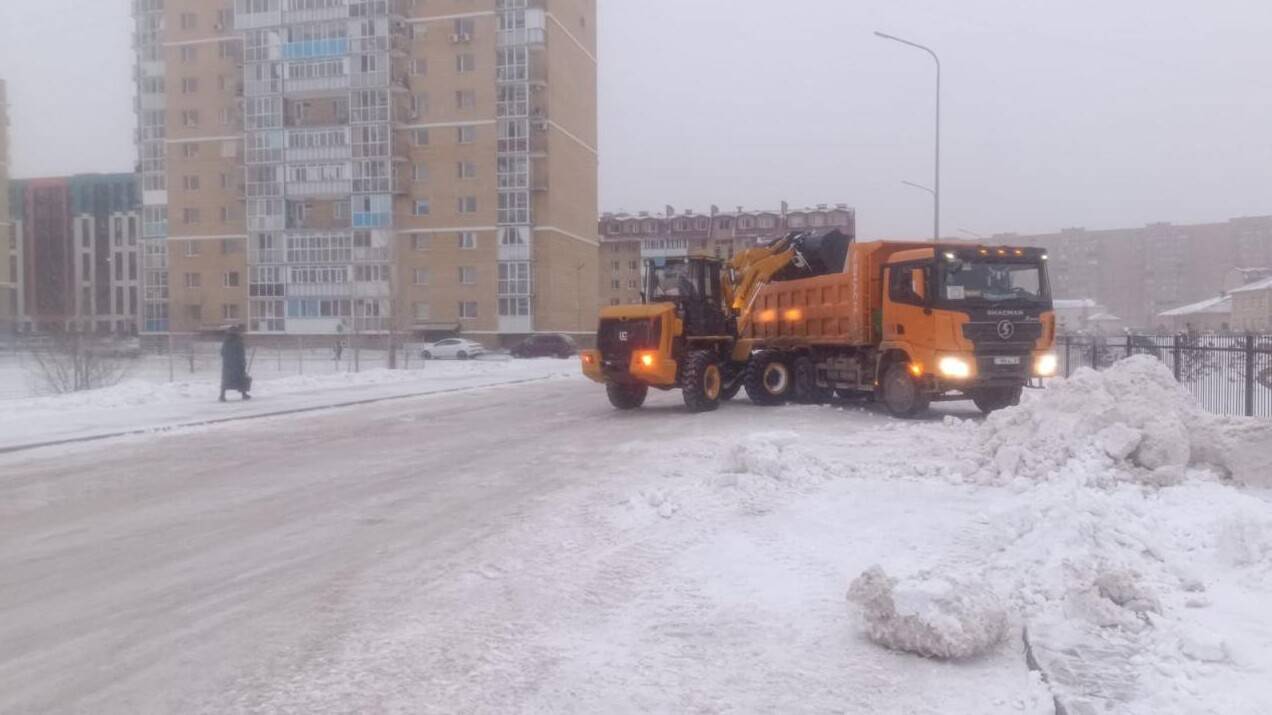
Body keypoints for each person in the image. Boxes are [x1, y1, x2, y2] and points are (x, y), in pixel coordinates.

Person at [219, 326, 251, 402]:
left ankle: (222, 395)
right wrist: (243, 362)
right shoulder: (239, 341)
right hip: (237, 364)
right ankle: (244, 394)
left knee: (226, 380)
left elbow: (222, 352)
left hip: (228, 365)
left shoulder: (226, 341)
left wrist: (228, 359)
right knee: (240, 378)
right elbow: (241, 353)